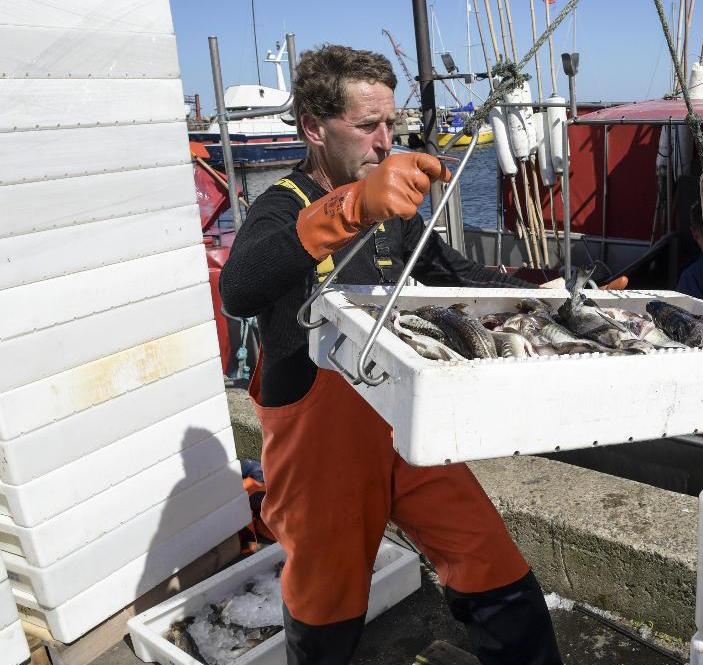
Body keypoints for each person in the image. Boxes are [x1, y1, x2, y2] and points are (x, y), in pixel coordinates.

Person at [220, 45, 562, 665]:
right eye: (367, 125)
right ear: (315, 130)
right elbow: (240, 288)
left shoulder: (393, 208)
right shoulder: (282, 205)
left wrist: (544, 292)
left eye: (391, 124)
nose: (385, 141)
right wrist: (352, 207)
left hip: (405, 421)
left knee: (494, 566)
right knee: (326, 606)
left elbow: (443, 273)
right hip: (320, 444)